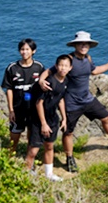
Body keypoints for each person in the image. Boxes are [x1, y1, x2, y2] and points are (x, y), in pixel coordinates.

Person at [39, 30, 108, 173]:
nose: (84, 46)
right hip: (71, 103)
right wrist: (40, 81)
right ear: (75, 45)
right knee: (68, 132)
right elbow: (50, 71)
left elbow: (94, 71)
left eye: (86, 43)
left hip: (88, 99)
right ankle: (70, 158)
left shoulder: (87, 58)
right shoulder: (68, 60)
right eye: (80, 43)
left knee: (106, 117)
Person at [24, 53, 72, 181]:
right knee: (34, 149)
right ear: (56, 66)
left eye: (66, 66)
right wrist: (43, 124)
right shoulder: (48, 83)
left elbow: (60, 99)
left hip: (53, 119)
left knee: (49, 146)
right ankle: (25, 173)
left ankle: (49, 174)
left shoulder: (66, 81)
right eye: (60, 65)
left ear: (70, 68)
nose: (63, 68)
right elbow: (39, 103)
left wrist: (64, 117)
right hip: (38, 119)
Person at [0, 38, 44, 155]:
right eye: (22, 49)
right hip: (18, 107)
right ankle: (11, 155)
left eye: (27, 49)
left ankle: (29, 158)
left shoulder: (39, 67)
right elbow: (9, 89)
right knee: (14, 133)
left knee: (32, 131)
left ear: (33, 51)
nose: (24, 52)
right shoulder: (12, 68)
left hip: (33, 108)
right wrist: (11, 110)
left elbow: (44, 85)